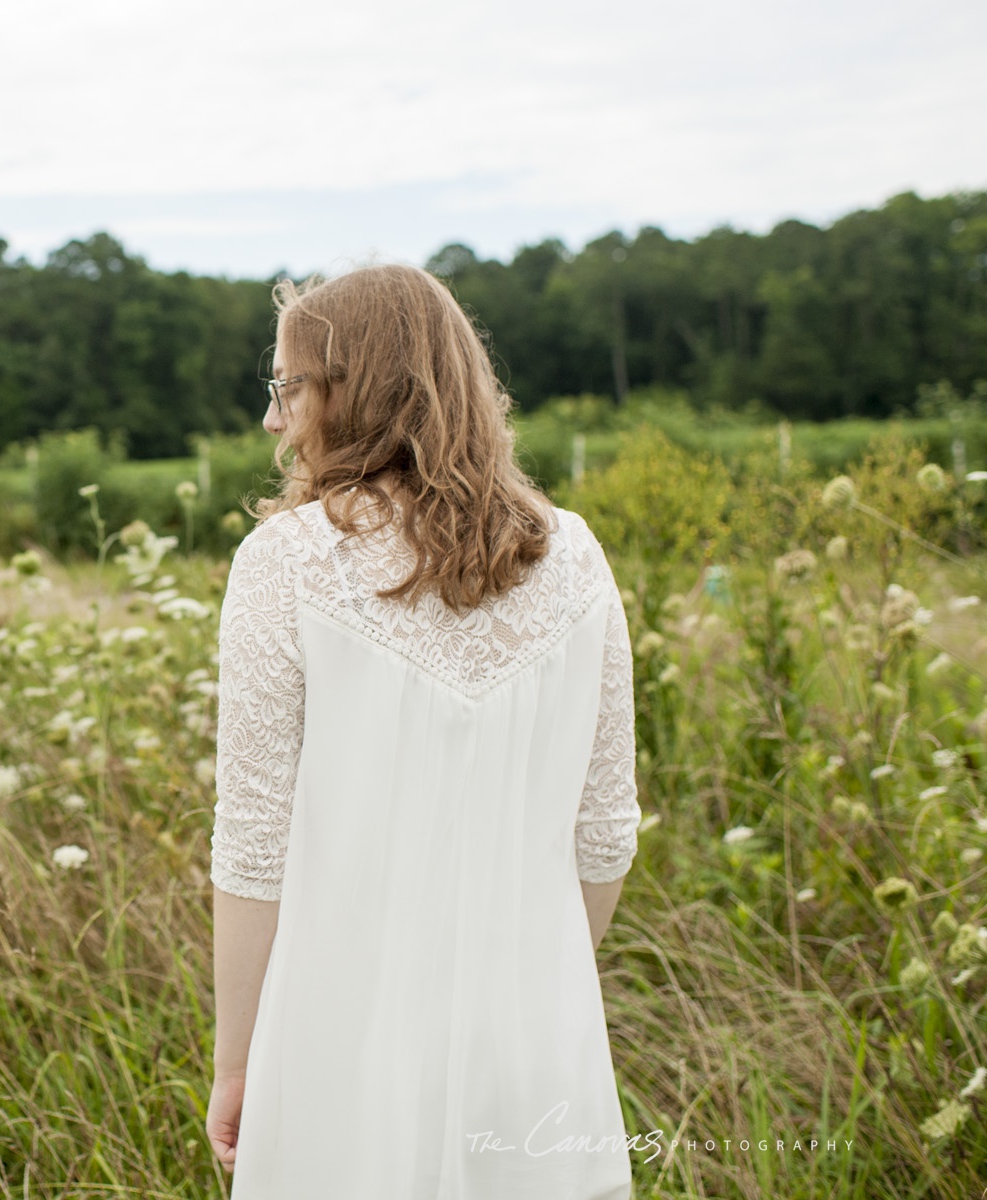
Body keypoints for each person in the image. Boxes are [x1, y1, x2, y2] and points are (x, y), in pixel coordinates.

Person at [204, 263, 640, 1198]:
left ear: (350, 390)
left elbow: (252, 852)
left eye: (286, 388)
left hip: (333, 1050)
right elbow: (604, 835)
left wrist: (236, 1063)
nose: (273, 420)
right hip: (536, 1046)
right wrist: (533, 979)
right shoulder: (577, 557)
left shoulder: (284, 563)